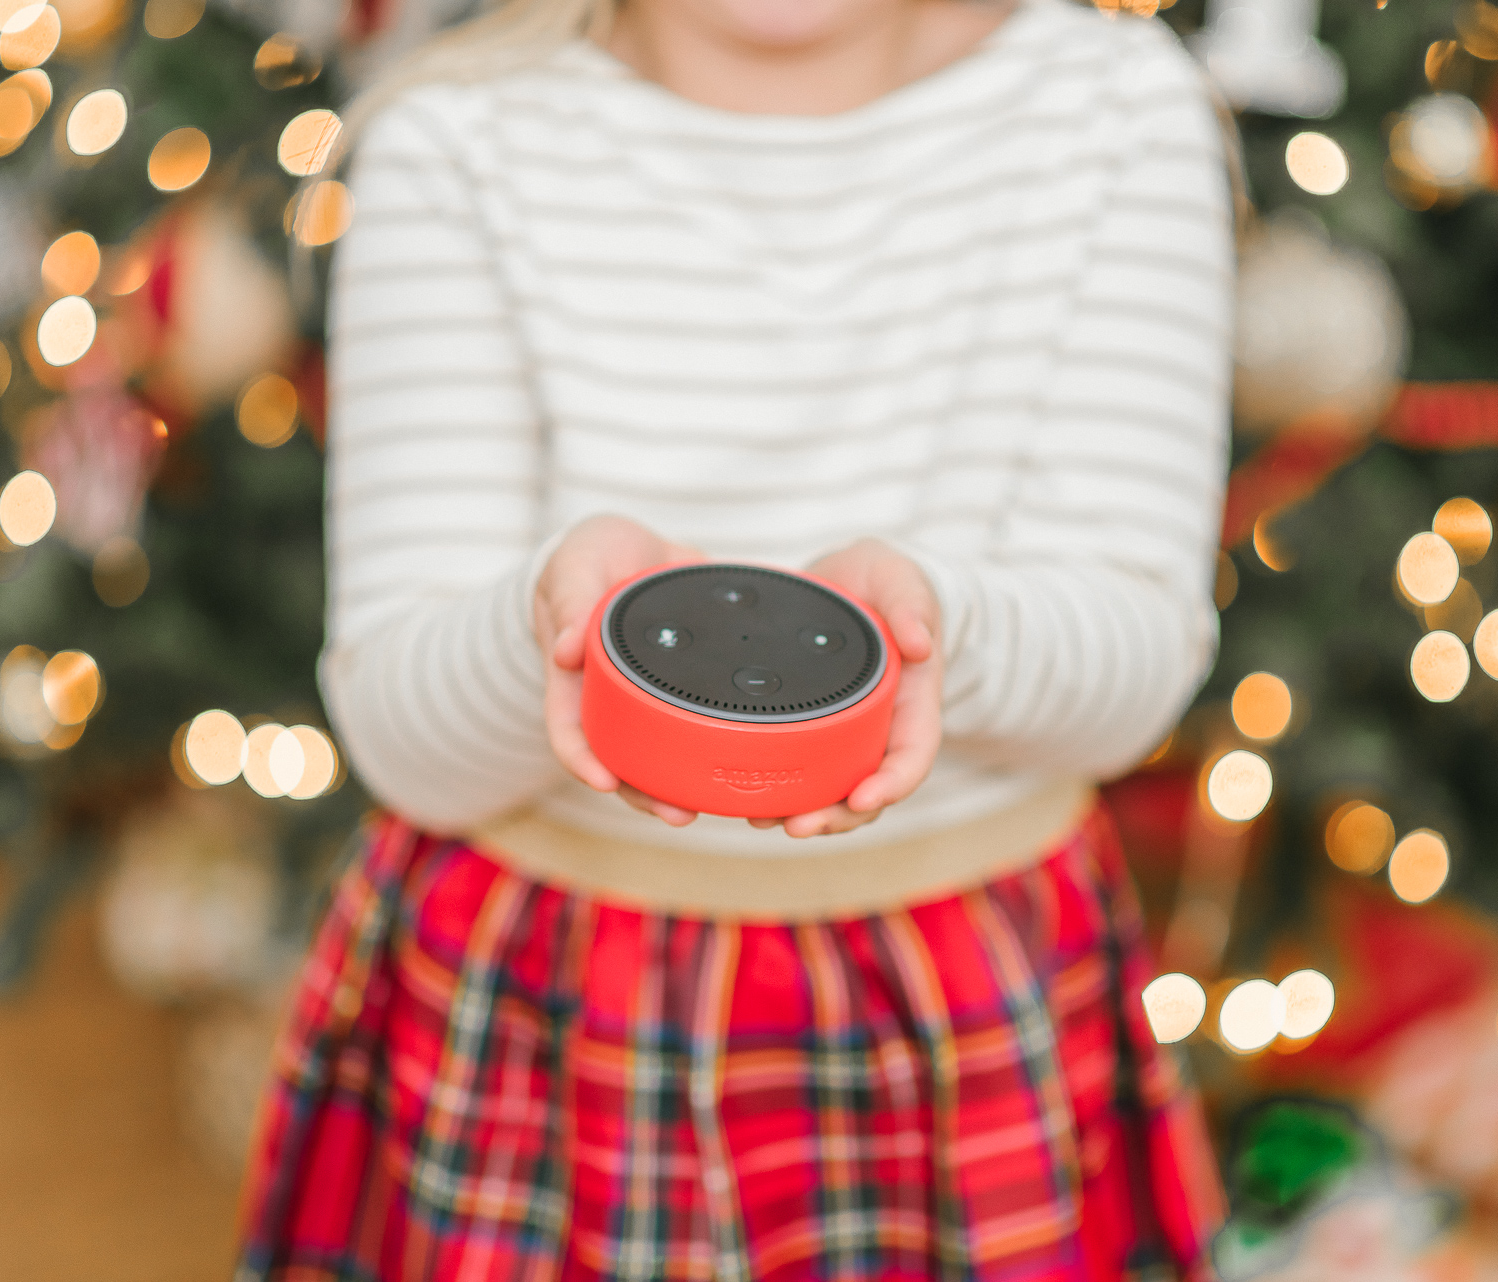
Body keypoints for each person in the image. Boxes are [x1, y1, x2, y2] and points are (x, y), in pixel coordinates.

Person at [237, 0, 1234, 1274]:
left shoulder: (1111, 115)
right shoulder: (456, 137)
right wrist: (545, 630)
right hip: (545, 985)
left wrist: (945, 634)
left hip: (964, 985)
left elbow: (1135, 658)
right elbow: (403, 734)